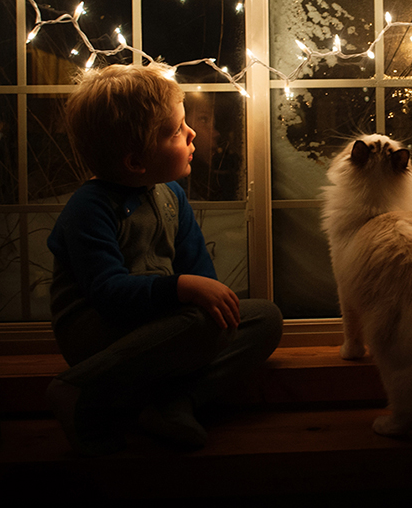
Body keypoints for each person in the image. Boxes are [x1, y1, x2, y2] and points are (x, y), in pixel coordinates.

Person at [46, 63, 282, 454]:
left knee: (263, 320)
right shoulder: (89, 208)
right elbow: (108, 293)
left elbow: (201, 276)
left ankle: (172, 403)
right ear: (136, 162)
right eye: (177, 130)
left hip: (160, 326)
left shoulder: (171, 196)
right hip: (100, 335)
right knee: (203, 321)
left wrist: (207, 297)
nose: (191, 134)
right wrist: (182, 288)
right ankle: (79, 387)